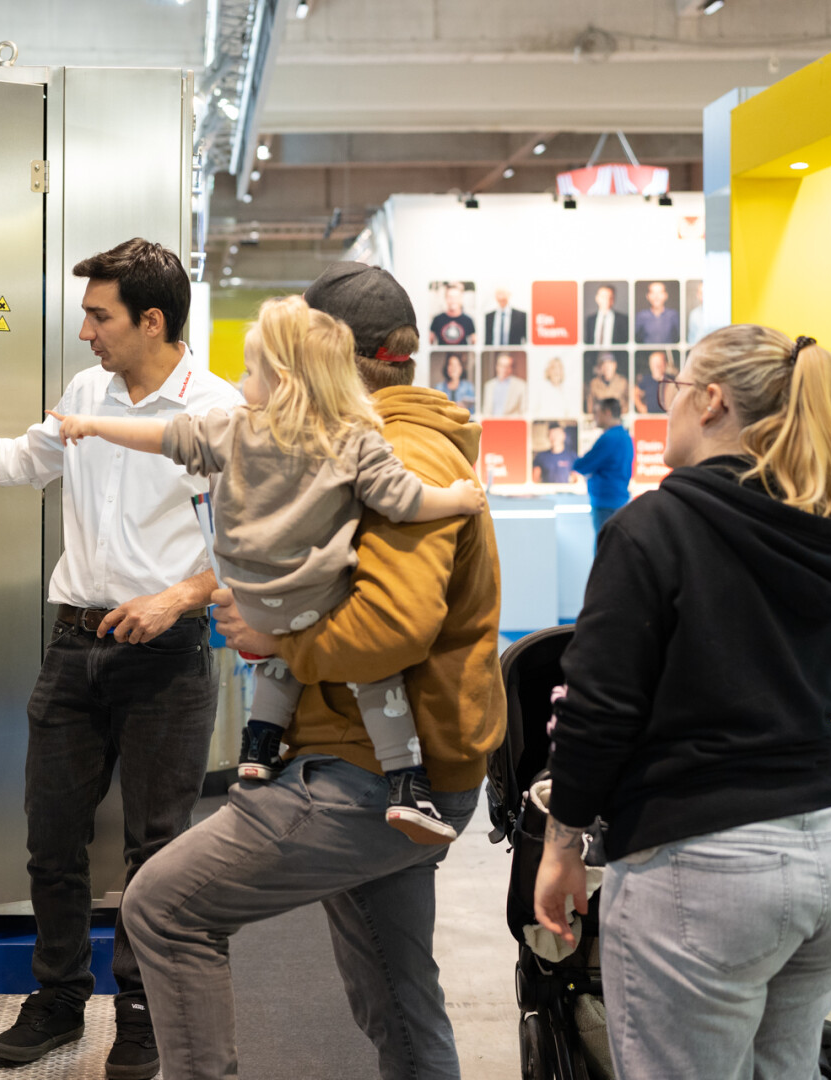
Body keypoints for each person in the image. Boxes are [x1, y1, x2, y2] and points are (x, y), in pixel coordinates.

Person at [0, 238, 242, 1080]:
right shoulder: (86, 394)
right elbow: (25, 460)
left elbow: (254, 547)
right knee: (51, 840)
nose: (86, 332)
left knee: (157, 853)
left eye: (99, 317)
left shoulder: (219, 411)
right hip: (74, 648)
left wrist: (178, 598)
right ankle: (59, 999)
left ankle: (142, 1015)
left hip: (166, 655)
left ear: (151, 320)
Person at [120, 261, 506, 1080]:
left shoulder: (400, 450)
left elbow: (391, 628)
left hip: (370, 774)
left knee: (163, 905)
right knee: (397, 1000)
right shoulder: (373, 440)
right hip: (375, 762)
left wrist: (275, 641)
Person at [534, 327, 831, 1080]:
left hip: (701, 875)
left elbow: (597, 711)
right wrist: (802, 677)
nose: (667, 406)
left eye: (675, 390)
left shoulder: (652, 529)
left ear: (712, 401)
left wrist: (561, 849)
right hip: (828, 864)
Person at [51, 296, 485, 842]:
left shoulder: (236, 428)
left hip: (249, 598)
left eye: (250, 372)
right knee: (375, 679)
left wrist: (92, 424)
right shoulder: (353, 440)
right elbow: (406, 501)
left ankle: (258, 746)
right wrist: (459, 497)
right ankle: (405, 780)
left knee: (278, 659)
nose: (240, 382)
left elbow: (161, 437)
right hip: (310, 598)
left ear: (280, 380)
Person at [572, 398, 633, 537]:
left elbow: (583, 465)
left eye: (596, 413)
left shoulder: (609, 438)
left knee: (604, 544)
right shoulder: (625, 437)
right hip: (618, 500)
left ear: (607, 412)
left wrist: (577, 463)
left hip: (606, 503)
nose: (594, 417)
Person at [428, 282, 477, 346]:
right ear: (445, 298)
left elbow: (474, 342)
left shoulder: (468, 320)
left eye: (456, 297)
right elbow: (430, 342)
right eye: (450, 297)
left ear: (461, 298)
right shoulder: (437, 319)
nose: (453, 300)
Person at [481, 351, 528, 416]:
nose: (504, 369)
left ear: (511, 368)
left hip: (511, 421)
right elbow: (486, 410)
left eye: (507, 366)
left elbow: (524, 411)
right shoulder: (489, 385)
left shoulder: (521, 385)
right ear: (497, 366)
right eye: (501, 366)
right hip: (491, 421)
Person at [634, 350, 673, 414]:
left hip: (667, 416)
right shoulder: (646, 380)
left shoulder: (672, 380)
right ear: (650, 365)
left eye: (660, 363)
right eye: (654, 363)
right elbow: (634, 393)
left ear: (665, 364)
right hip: (650, 417)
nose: (657, 366)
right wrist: (641, 407)